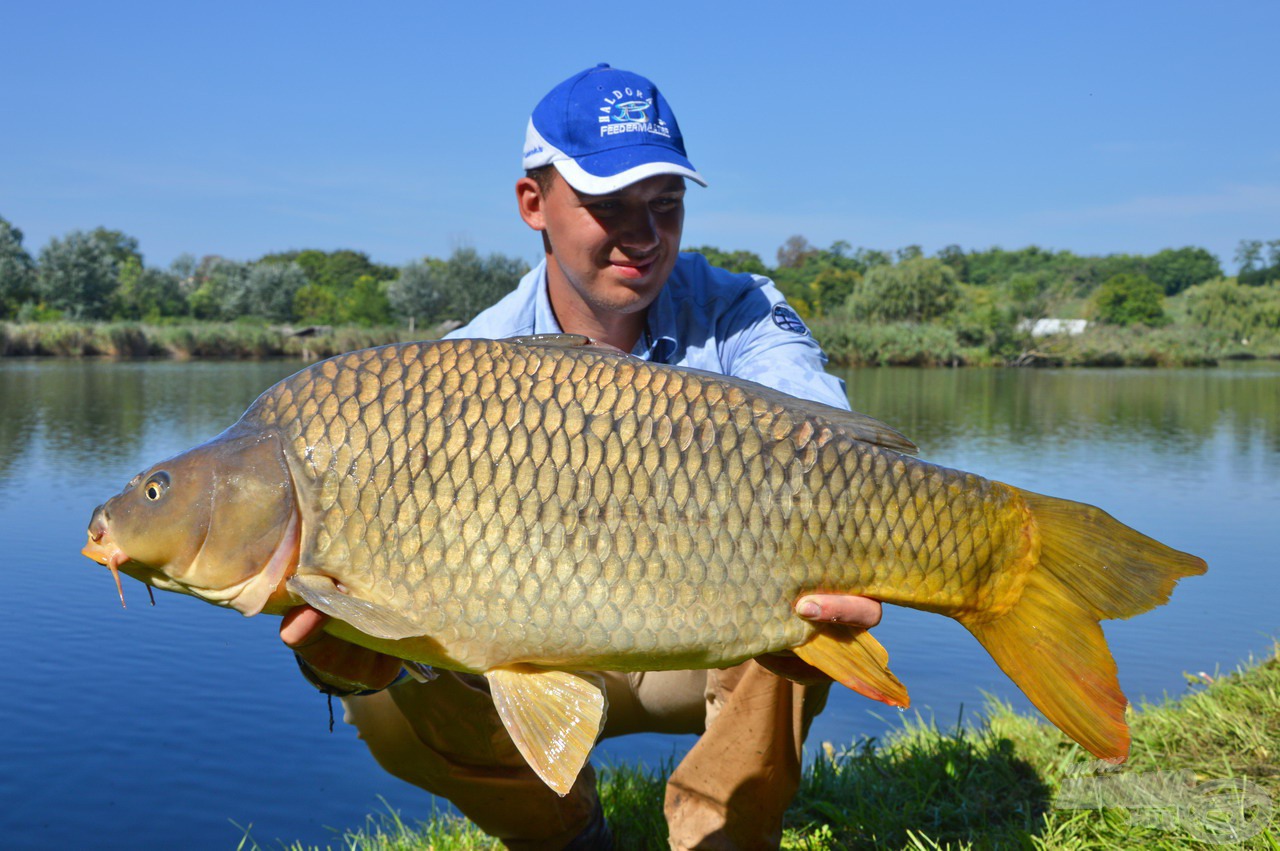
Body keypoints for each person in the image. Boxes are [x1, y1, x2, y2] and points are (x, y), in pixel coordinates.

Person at [281, 63, 883, 850]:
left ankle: (722, 840)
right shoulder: (462, 369)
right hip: (528, 654)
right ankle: (569, 835)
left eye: (665, 206)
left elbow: (836, 455)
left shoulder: (741, 312)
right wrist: (341, 660)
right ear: (533, 202)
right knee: (386, 701)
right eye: (609, 206)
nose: (643, 236)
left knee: (791, 575)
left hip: (692, 647)